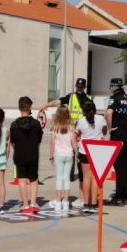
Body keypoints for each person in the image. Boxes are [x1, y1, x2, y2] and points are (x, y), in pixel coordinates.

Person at [38, 77, 92, 206]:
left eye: (81, 87)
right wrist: (47, 105)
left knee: (81, 170)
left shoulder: (88, 99)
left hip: (81, 133)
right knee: (72, 171)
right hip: (71, 131)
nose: (79, 88)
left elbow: (91, 115)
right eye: (78, 87)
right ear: (76, 86)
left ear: (84, 87)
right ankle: (71, 198)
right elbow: (58, 101)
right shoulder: (71, 97)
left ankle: (81, 198)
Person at [9, 96, 44, 213]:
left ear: (19, 108)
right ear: (29, 108)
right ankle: (33, 203)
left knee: (22, 180)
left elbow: (12, 142)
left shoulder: (14, 125)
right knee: (34, 179)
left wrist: (17, 148)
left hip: (19, 155)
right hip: (33, 154)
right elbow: (39, 140)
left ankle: (25, 205)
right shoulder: (36, 124)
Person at [75, 100, 108, 213]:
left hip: (84, 150)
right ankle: (94, 203)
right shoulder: (100, 118)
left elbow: (77, 134)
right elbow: (105, 131)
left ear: (83, 110)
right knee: (95, 178)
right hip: (97, 150)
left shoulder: (81, 121)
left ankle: (86, 203)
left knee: (86, 177)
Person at [48, 105, 77, 212]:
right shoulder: (71, 127)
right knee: (66, 178)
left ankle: (57, 201)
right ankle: (65, 201)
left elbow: (52, 143)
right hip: (69, 154)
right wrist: (76, 153)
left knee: (59, 178)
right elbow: (74, 142)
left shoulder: (54, 127)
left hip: (58, 155)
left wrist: (51, 156)